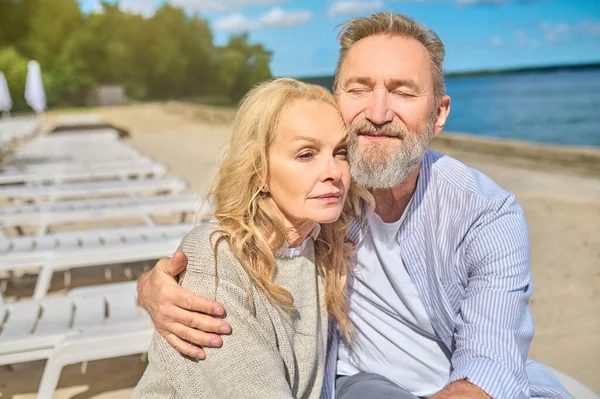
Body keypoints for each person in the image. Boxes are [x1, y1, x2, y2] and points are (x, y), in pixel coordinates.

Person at [136, 12, 572, 399]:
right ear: (335, 100)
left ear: (438, 114)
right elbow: (236, 239)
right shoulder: (319, 197)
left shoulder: (485, 214)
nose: (378, 112)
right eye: (359, 88)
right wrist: (161, 284)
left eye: (402, 91)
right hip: (357, 383)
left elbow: (490, 366)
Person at [132, 78, 371, 398]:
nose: (333, 172)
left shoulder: (318, 241)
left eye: (340, 152)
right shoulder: (216, 258)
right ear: (259, 170)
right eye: (306, 154)